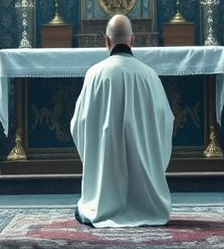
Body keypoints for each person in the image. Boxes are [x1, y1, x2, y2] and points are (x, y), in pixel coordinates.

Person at [70, 14, 174, 227]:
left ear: (106, 41)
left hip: (105, 181)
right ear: (132, 40)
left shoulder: (95, 74)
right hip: (151, 201)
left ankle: (104, 201)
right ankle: (145, 203)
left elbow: (79, 124)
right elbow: (166, 121)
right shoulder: (150, 75)